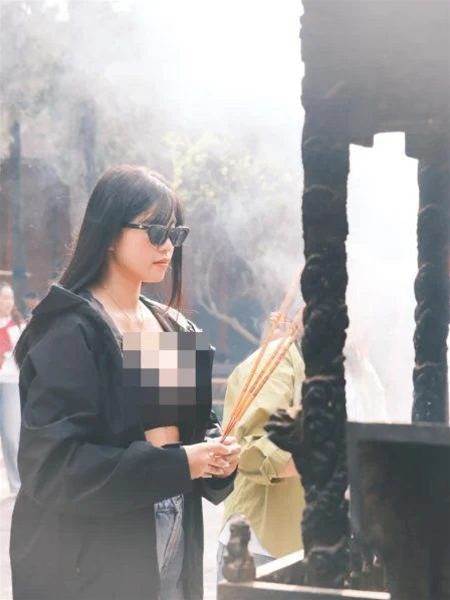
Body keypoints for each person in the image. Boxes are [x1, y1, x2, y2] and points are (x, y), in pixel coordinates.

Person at [10, 165, 240, 600]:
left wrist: (216, 456)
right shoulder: (70, 330)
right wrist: (183, 463)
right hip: (91, 558)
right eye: (155, 231)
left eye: (175, 233)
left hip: (175, 537)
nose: (167, 245)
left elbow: (186, 431)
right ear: (110, 232)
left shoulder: (166, 325)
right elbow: (55, 468)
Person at [217, 325, 305, 580]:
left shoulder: (362, 370)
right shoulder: (277, 362)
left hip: (320, 545)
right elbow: (250, 452)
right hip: (262, 549)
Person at [0, 282, 24, 497]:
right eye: (4, 297)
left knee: (10, 436)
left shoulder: (18, 325)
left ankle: (17, 486)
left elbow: (25, 357)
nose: (8, 302)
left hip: (10, 383)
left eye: (10, 297)